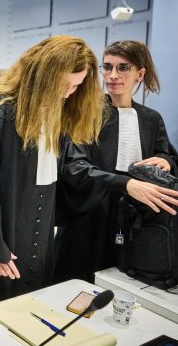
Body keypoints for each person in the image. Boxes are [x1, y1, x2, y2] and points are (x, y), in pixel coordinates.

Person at [0, 36, 107, 319]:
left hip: (32, 243)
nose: (68, 94)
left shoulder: (55, 118)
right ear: (42, 77)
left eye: (76, 87)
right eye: (64, 85)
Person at [55, 40, 178, 283]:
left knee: (123, 283)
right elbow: (74, 166)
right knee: (75, 284)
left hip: (134, 219)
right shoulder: (85, 110)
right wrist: (126, 184)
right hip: (89, 216)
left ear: (139, 74)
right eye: (107, 67)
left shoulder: (151, 119)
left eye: (123, 68)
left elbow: (168, 155)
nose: (113, 75)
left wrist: (166, 161)